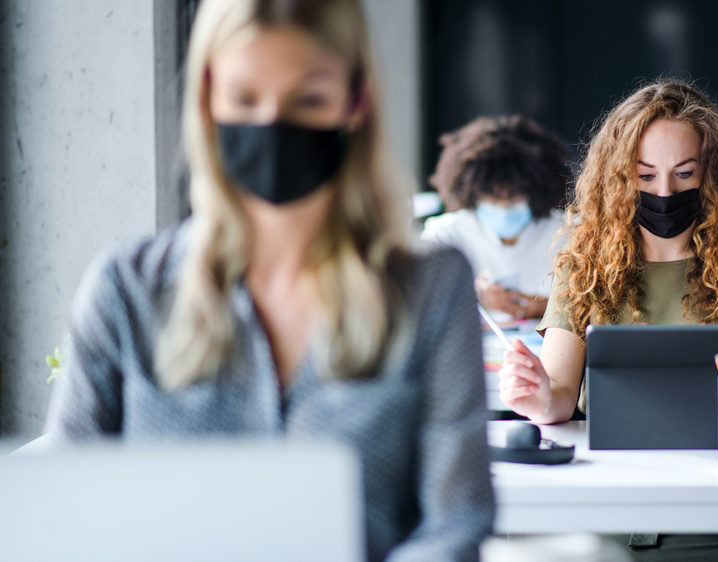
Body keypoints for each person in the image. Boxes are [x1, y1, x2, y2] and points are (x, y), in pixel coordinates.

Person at [44, 1, 494, 560]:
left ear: (355, 101)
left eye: (308, 100)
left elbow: (454, 525)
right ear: (208, 97)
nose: (273, 126)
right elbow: (61, 517)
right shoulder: (125, 293)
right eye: (245, 98)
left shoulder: (432, 290)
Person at [499, 79, 718, 561]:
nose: (665, 191)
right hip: (609, 508)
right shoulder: (584, 262)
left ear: (712, 175)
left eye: (684, 173)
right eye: (646, 176)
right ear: (620, 176)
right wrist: (538, 395)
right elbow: (559, 396)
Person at [422, 115, 573, 319]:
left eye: (513, 197)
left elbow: (598, 305)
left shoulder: (568, 231)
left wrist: (546, 308)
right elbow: (418, 296)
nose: (504, 207)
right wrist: (473, 295)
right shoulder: (445, 233)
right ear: (472, 193)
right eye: (492, 198)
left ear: (536, 191)